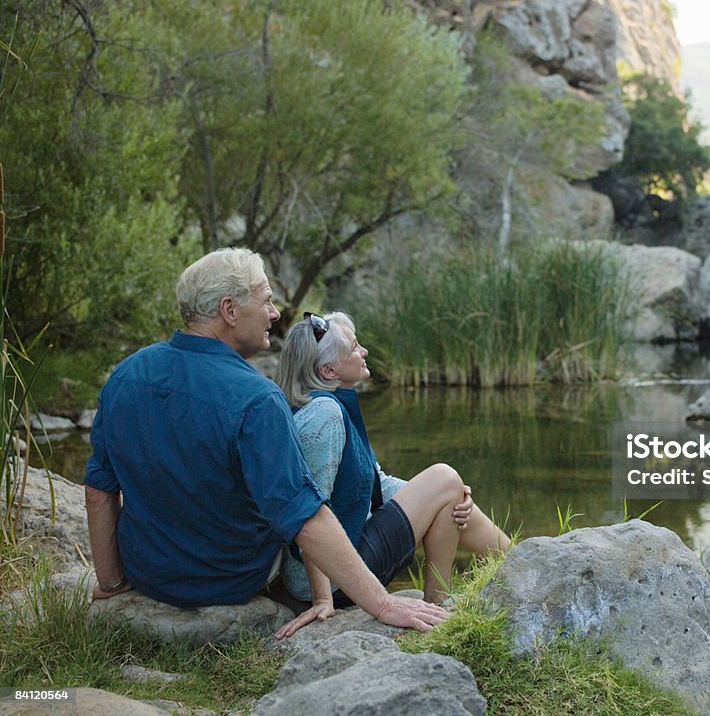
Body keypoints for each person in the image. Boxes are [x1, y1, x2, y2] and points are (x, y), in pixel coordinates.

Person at [83, 248, 447, 634]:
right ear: (230, 310)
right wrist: (383, 603)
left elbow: (99, 491)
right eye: (267, 300)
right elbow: (305, 518)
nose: (274, 313)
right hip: (230, 581)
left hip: (150, 575)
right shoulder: (257, 398)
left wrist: (111, 583)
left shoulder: (126, 375)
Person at [273, 310, 511, 635]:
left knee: (450, 492)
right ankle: (439, 610)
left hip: (347, 554)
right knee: (444, 478)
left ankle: (517, 560)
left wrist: (440, 496)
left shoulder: (329, 404)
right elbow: (311, 511)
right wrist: (321, 598)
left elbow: (377, 484)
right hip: (340, 574)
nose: (364, 352)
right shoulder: (323, 417)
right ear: (328, 370)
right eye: (355, 347)